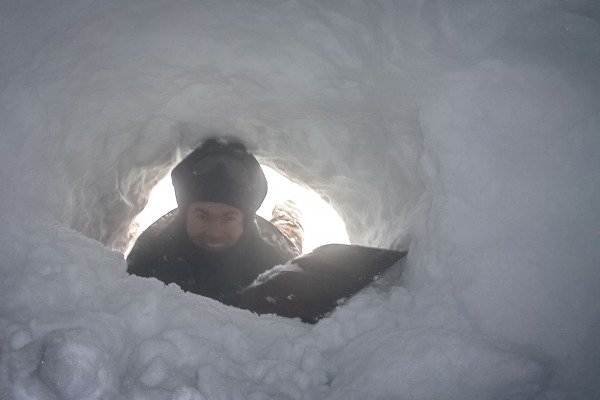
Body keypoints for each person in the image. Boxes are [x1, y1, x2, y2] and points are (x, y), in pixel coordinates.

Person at [127, 138, 298, 307]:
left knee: (289, 230)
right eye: (202, 216)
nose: (214, 232)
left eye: (228, 218)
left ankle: (288, 212)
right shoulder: (150, 255)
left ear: (245, 221)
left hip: (270, 234)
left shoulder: (276, 264)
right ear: (185, 215)